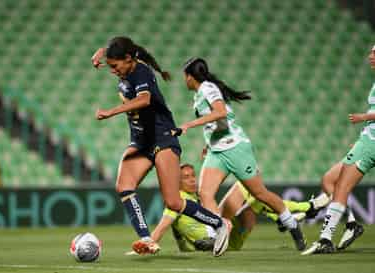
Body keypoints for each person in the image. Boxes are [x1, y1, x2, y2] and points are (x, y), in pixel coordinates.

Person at [91, 37, 230, 256]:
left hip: (162, 137)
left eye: (115, 66)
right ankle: (146, 239)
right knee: (124, 185)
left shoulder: (141, 73)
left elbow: (144, 100)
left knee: (174, 202)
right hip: (140, 140)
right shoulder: (125, 64)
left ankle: (219, 224)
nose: (113, 71)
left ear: (128, 59)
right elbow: (117, 47)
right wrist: (102, 52)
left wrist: (111, 111)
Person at [179, 57, 306, 251]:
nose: (183, 80)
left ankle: (292, 224)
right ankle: (216, 235)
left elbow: (220, 113)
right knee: (205, 194)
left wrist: (189, 124)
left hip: (235, 148)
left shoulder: (208, 88)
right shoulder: (198, 94)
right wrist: (208, 142)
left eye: (184, 76)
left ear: (190, 77)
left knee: (260, 193)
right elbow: (216, 122)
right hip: (217, 151)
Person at [127, 163, 314, 254]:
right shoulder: (179, 201)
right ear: (176, 182)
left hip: (228, 237)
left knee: (252, 199)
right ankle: (302, 209)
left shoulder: (197, 196)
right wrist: (146, 245)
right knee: (247, 187)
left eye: (193, 175)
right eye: (186, 177)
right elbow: (161, 227)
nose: (192, 179)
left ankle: (286, 217)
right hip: (210, 245)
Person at [302, 44, 375, 255]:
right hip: (367, 140)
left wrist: (364, 117)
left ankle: (326, 239)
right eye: (370, 51)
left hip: (371, 142)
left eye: (374, 52)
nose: (370, 55)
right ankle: (352, 225)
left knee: (341, 187)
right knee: (329, 180)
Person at [307, 162, 364, 251]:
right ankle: (351, 224)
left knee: (332, 183)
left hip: (366, 150)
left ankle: (328, 239)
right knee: (329, 181)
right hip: (364, 150)